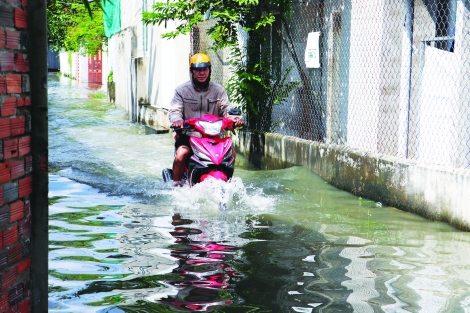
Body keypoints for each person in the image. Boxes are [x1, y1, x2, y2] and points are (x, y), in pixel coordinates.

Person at [168, 53, 244, 186]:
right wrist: (177, 120)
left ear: (209, 70)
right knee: (181, 154)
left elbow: (227, 109)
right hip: (189, 135)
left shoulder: (218, 91)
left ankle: (228, 184)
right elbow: (175, 110)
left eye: (205, 69)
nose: (202, 73)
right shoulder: (181, 91)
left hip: (213, 137)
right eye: (198, 70)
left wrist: (235, 119)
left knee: (231, 152)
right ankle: (176, 186)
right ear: (192, 71)